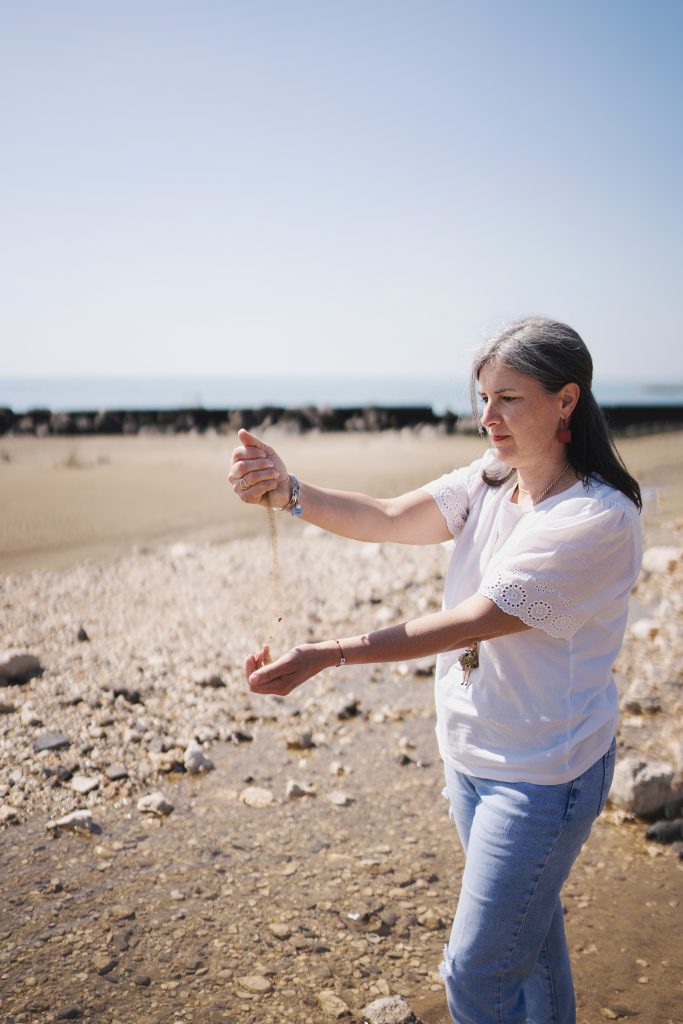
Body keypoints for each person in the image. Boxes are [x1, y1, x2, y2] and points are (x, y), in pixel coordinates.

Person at [228, 316, 642, 1024]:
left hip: (544, 772)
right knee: (532, 944)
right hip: (472, 754)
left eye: (508, 398)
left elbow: (472, 619)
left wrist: (328, 654)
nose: (487, 417)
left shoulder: (597, 520)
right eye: (482, 397)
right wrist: (288, 490)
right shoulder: (489, 482)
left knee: (474, 979)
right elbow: (390, 515)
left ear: (565, 400)